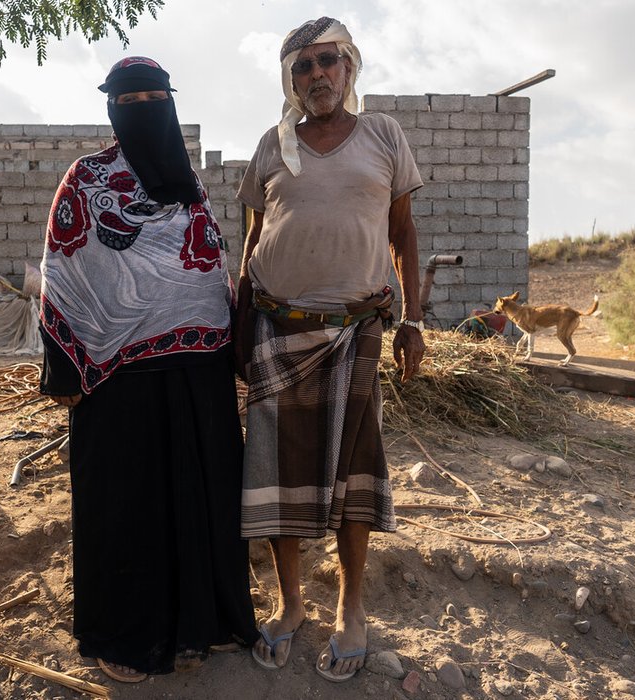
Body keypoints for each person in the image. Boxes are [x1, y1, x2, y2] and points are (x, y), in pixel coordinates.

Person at [37, 56, 257, 684]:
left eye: (152, 97)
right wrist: (65, 373)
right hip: (116, 378)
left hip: (198, 372)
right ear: (109, 107)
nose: (140, 108)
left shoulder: (193, 187)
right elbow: (63, 271)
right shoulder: (86, 178)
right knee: (127, 503)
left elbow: (210, 266)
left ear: (170, 101)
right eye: (126, 99)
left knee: (201, 492)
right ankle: (127, 635)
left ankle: (205, 623)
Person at [234, 17, 426, 683]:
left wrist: (413, 322)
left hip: (355, 332)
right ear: (289, 82)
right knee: (275, 472)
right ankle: (289, 606)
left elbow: (403, 233)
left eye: (328, 61)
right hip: (274, 328)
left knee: (350, 473)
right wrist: (237, 332)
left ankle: (350, 608)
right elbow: (253, 240)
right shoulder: (272, 144)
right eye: (302, 67)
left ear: (349, 68)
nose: (317, 75)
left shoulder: (384, 136)